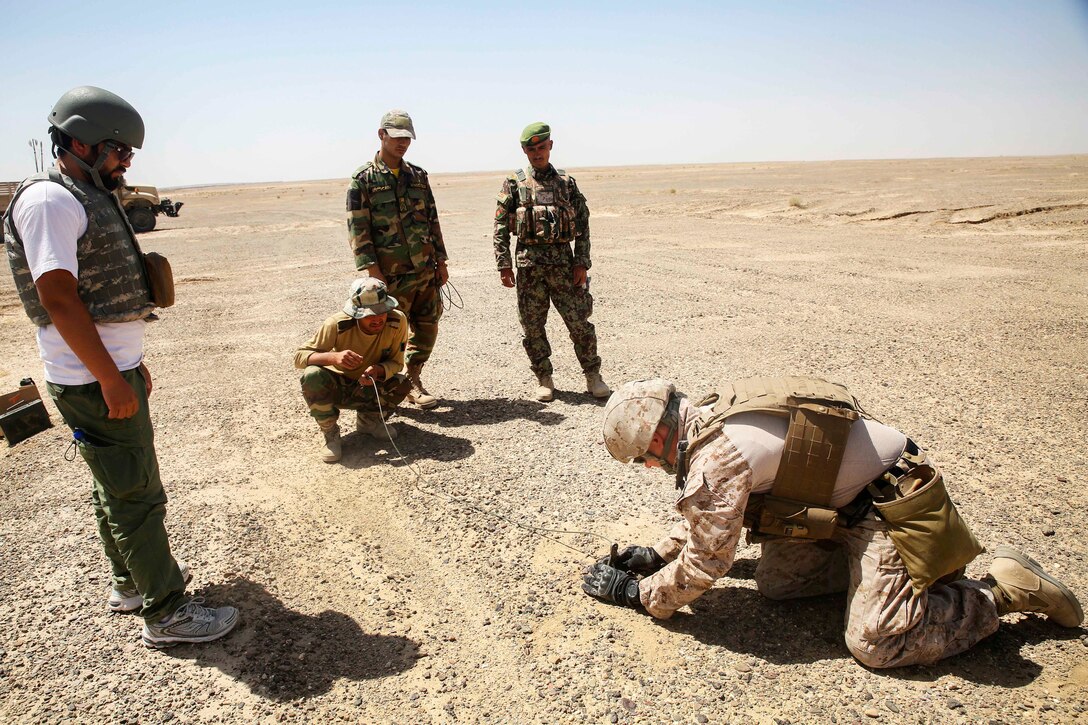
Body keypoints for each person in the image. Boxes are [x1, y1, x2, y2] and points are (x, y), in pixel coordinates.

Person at [583, 376, 1083, 668]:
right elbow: (713, 516)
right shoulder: (710, 414)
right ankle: (882, 583)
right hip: (845, 509)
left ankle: (1002, 592)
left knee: (876, 643)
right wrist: (656, 555)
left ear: (654, 441)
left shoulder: (717, 460)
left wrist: (638, 594)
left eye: (642, 460)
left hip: (892, 513)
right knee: (777, 584)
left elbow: (709, 558)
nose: (650, 468)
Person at [3, 86, 238, 648]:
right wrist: (110, 376)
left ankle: (130, 585)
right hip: (90, 377)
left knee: (116, 485)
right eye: (118, 150)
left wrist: (128, 365)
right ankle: (167, 613)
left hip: (107, 370)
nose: (127, 161)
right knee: (137, 495)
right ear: (79, 142)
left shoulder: (87, 193)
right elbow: (58, 298)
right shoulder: (50, 202)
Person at [493, 122, 609, 402]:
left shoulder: (566, 183)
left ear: (550, 146)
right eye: (531, 149)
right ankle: (544, 377)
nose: (537, 153)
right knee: (532, 327)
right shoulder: (515, 183)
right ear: (524, 150)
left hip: (564, 267)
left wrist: (581, 261)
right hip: (529, 267)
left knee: (580, 323)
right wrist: (503, 263)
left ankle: (593, 375)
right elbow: (499, 224)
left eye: (541, 147)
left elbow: (582, 223)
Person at [347, 109, 448, 410]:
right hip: (389, 275)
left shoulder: (417, 177)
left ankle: (412, 378)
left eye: (407, 138)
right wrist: (372, 271)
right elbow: (357, 228)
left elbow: (432, 220)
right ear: (382, 135)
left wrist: (441, 261)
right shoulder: (363, 180)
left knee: (428, 327)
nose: (403, 143)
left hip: (424, 270)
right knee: (391, 334)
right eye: (397, 137)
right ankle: (384, 390)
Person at [295, 278, 411, 463]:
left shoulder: (397, 321)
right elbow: (299, 357)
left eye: (382, 311)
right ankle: (330, 433)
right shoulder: (337, 324)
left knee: (402, 383)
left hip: (369, 385)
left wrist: (380, 370)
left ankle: (369, 421)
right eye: (369, 314)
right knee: (312, 375)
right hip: (338, 387)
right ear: (356, 313)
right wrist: (333, 357)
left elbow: (397, 362)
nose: (377, 319)